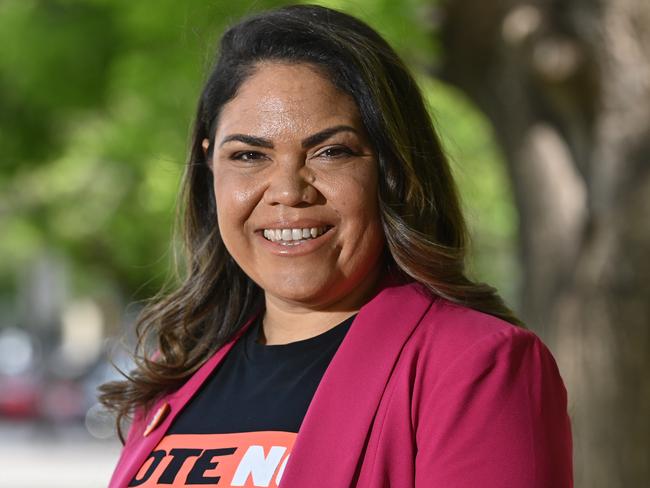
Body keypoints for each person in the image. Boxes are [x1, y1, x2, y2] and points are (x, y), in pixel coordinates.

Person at [101, 4, 573, 487]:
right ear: (210, 167)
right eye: (248, 155)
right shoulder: (178, 368)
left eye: (332, 152)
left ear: (392, 170)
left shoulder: (474, 367)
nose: (288, 190)